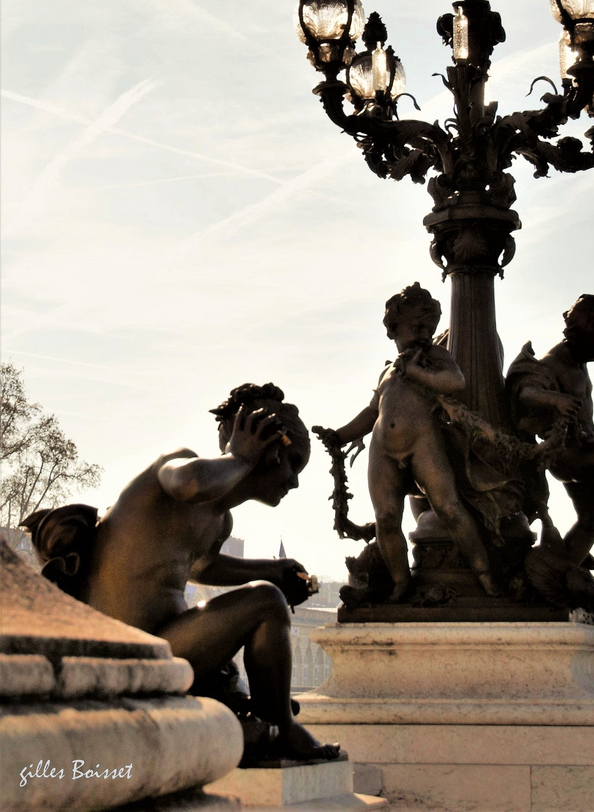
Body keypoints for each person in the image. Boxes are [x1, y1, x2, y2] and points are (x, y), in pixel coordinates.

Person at [26, 382, 338, 764]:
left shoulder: (219, 521)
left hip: (163, 645)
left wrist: (273, 570)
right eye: (294, 463)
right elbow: (188, 482)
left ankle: (260, 721)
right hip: (129, 652)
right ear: (266, 444)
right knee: (266, 603)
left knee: (265, 597)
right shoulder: (181, 465)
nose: (294, 480)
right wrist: (239, 458)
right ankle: (280, 729)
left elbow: (202, 567)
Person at [329, 283, 497, 602]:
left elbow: (455, 381)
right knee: (387, 518)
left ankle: (485, 577)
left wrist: (419, 374)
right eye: (417, 327)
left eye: (429, 328)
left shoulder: (433, 356)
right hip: (382, 448)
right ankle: (400, 581)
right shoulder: (389, 371)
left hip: (423, 440)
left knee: (448, 508)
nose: (424, 334)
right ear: (394, 327)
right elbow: (371, 412)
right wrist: (341, 435)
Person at [507, 294, 594, 567]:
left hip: (584, 446)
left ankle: (562, 570)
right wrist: (556, 400)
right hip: (567, 452)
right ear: (583, 332)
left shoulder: (578, 359)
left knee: (591, 518)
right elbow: (526, 392)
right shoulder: (553, 362)